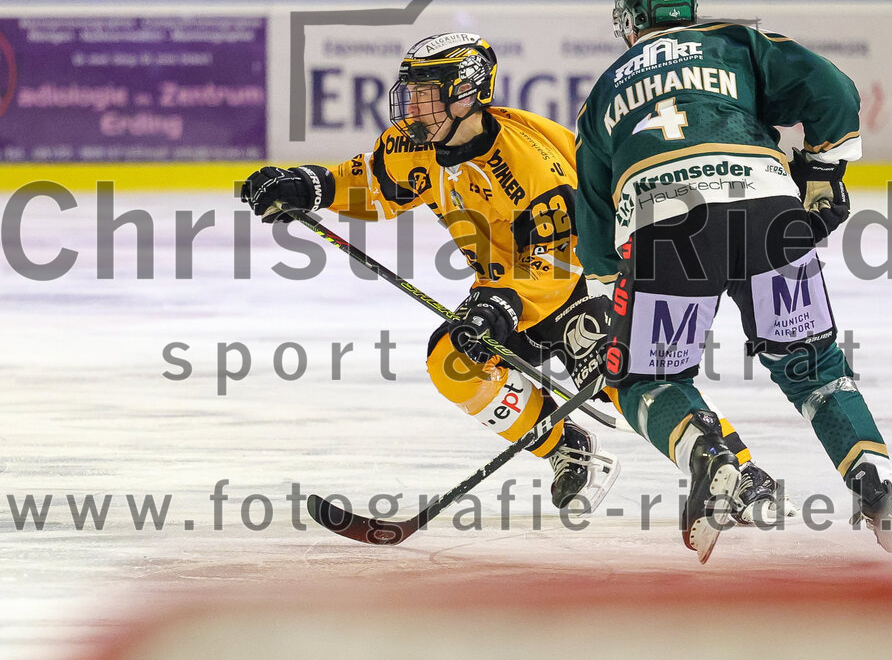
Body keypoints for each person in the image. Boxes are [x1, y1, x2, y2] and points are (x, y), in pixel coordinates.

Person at [241, 32, 790, 523]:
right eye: (411, 93)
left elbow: (559, 259)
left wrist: (500, 305)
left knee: (628, 382)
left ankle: (738, 471)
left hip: (587, 283)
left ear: (466, 94)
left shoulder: (527, 165)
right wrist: (303, 186)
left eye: (428, 93)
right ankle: (566, 446)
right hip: (507, 289)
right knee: (453, 362)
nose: (415, 106)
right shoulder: (416, 145)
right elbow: (371, 184)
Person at [574, 0, 892, 561]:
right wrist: (822, 170)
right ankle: (876, 488)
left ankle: (713, 458)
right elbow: (833, 89)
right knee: (815, 366)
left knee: (644, 381)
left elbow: (594, 218)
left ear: (628, 21)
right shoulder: (735, 42)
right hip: (769, 213)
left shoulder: (603, 93)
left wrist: (608, 302)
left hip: (667, 226)